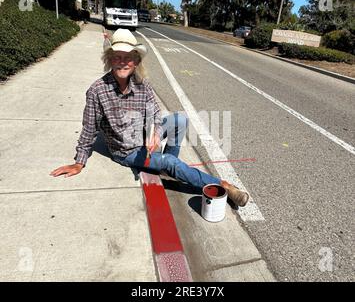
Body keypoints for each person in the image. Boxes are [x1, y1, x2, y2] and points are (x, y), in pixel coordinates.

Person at [50, 28, 249, 207]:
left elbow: (154, 111)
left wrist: (156, 131)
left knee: (180, 120)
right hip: (126, 151)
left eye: (128, 57)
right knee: (170, 163)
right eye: (117, 56)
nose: (123, 62)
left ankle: (167, 163)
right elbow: (88, 129)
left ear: (136, 61)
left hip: (145, 139)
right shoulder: (97, 91)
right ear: (110, 59)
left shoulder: (141, 83)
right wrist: (79, 162)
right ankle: (222, 185)